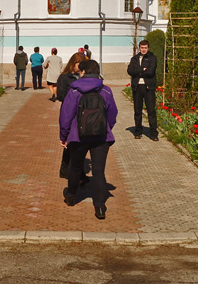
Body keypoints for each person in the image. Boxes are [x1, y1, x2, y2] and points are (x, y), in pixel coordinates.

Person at [59, 58, 117, 220]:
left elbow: (66, 115)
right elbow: (113, 114)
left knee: (75, 167)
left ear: (83, 72)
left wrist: (64, 136)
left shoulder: (74, 91)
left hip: (78, 137)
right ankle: (99, 206)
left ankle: (71, 196)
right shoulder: (105, 90)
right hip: (101, 137)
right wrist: (106, 128)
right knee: (99, 171)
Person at [55, 53, 84, 179]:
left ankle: (77, 172)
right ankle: (66, 169)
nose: (80, 67)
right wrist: (74, 92)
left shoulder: (84, 77)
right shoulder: (64, 77)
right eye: (78, 64)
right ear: (73, 63)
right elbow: (60, 95)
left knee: (79, 143)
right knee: (70, 142)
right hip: (69, 111)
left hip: (82, 112)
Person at [127, 39, 159, 141]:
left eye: (145, 48)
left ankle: (153, 133)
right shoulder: (135, 59)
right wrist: (142, 70)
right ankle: (138, 132)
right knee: (137, 111)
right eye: (142, 48)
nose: (143, 49)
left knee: (151, 111)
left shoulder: (152, 58)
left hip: (148, 87)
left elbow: (150, 72)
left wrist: (138, 72)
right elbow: (130, 71)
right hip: (137, 87)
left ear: (148, 48)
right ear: (139, 48)